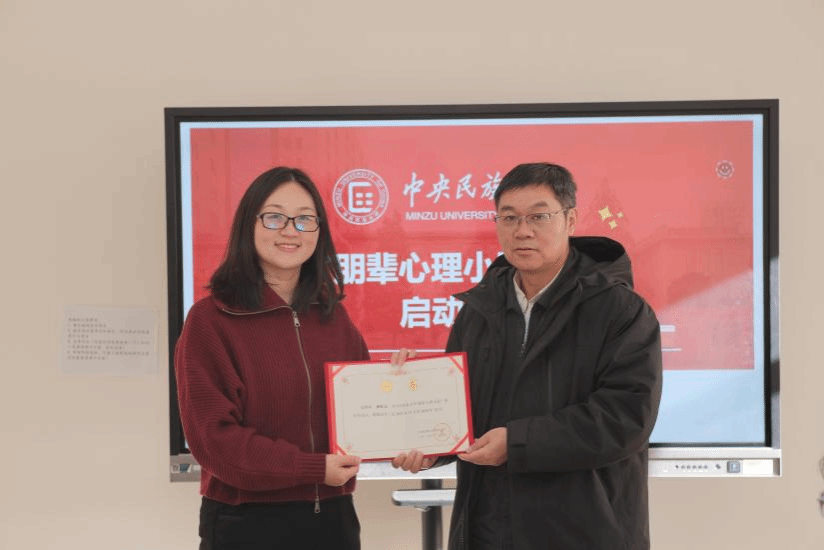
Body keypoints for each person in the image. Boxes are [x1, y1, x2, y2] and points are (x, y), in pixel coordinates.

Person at [393, 162, 663, 549]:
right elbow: (459, 413)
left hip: (584, 533)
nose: (522, 231)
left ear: (570, 220)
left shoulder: (619, 310)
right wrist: (423, 425)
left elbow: (625, 418)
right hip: (487, 532)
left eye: (539, 216)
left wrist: (517, 443)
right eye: (509, 218)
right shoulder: (478, 312)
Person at [174, 166, 371, 550]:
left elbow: (365, 408)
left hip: (333, 519)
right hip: (245, 522)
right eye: (275, 217)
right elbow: (214, 442)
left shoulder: (334, 317)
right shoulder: (211, 320)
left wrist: (400, 380)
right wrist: (312, 469)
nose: (291, 230)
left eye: (305, 219)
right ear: (248, 224)